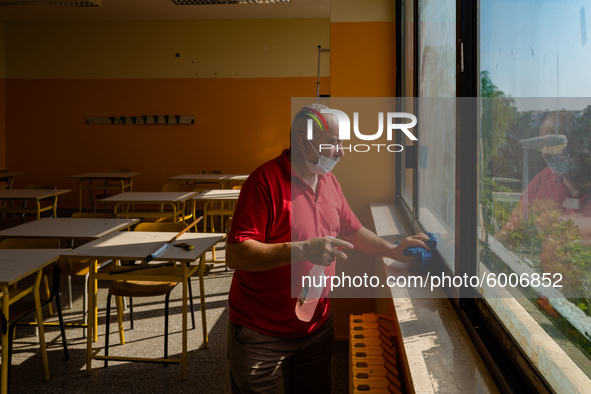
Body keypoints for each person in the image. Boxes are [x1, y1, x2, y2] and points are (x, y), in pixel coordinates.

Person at [225, 103, 430, 394]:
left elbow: (353, 231)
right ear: (302, 142)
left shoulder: (329, 181)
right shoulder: (263, 183)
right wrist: (301, 250)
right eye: (334, 143)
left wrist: (392, 250)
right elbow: (236, 254)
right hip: (261, 331)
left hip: (315, 327)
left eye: (343, 143)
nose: (342, 152)